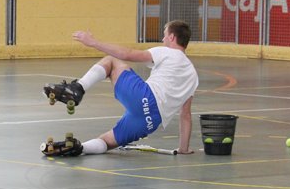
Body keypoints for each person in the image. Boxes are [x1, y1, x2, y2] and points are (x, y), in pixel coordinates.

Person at [43, 20, 199, 156]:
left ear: (172, 37)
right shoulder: (193, 76)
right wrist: (183, 148)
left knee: (112, 61)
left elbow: (127, 54)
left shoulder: (167, 52)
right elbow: (185, 115)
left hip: (144, 98)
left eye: (165, 35)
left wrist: (94, 43)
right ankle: (79, 148)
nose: (163, 39)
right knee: (106, 142)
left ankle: (77, 88)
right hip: (151, 121)